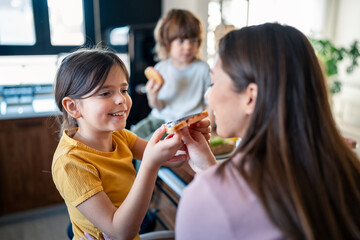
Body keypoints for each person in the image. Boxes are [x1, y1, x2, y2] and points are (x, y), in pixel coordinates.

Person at [175, 23, 360, 239]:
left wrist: (212, 182)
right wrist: (209, 168)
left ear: (250, 97)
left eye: (213, 82)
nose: (208, 95)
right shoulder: (348, 171)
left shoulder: (202, 199)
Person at [51, 47, 210, 240]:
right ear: (73, 107)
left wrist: (188, 141)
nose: (121, 99)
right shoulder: (70, 163)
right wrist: (150, 164)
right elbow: (120, 232)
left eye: (123, 90)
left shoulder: (120, 136)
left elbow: (172, 160)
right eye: (105, 93)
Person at [130, 9, 210, 140]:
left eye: (193, 41)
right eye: (181, 41)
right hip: (157, 118)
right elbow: (158, 106)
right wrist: (152, 96)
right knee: (130, 138)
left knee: (147, 147)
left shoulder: (202, 69)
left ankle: (144, 161)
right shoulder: (161, 68)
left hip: (183, 124)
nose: (188, 47)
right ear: (166, 43)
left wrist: (208, 129)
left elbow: (209, 102)